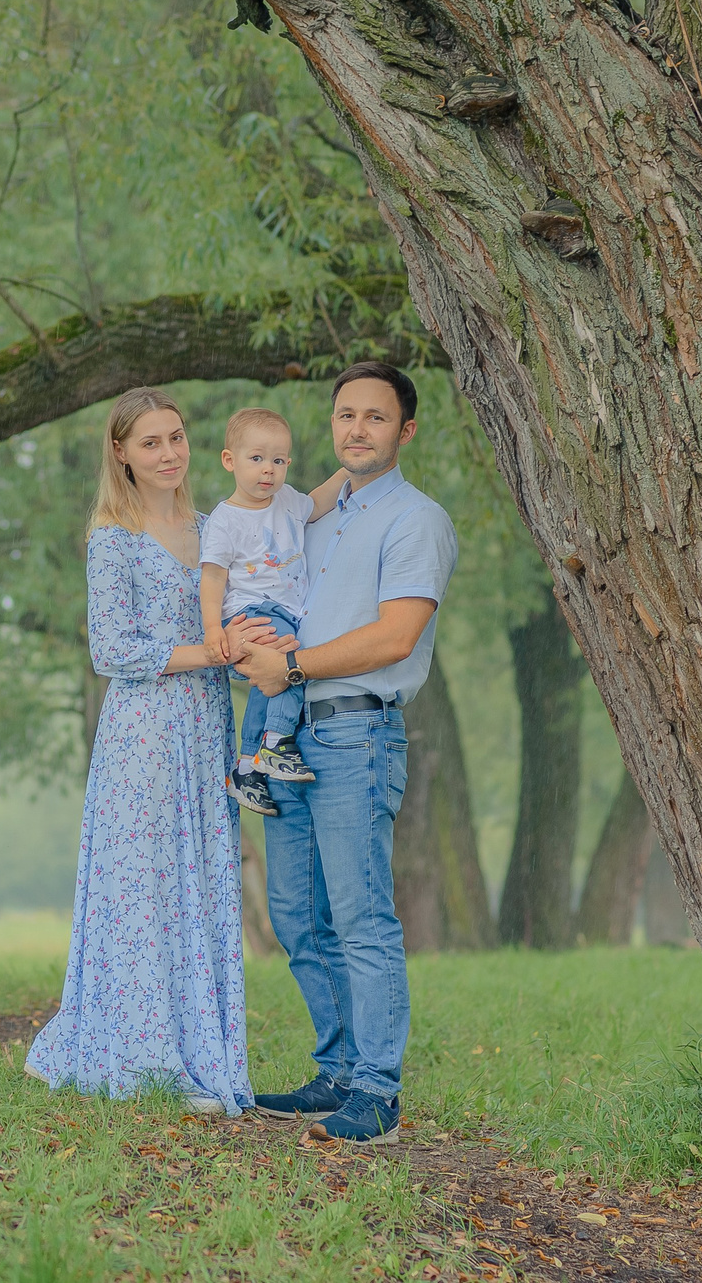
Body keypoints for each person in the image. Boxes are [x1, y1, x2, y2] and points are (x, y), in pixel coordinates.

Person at [25, 387, 273, 1117]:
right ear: (121, 453)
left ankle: (201, 1047)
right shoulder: (114, 536)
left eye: (176, 437)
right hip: (143, 735)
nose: (168, 453)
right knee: (144, 888)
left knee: (197, 880)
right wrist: (210, 650)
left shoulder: (214, 528)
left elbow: (245, 616)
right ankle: (149, 1056)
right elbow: (111, 648)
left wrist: (256, 644)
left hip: (204, 730)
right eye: (150, 442)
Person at [234, 361, 456, 1144]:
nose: (357, 428)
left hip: (356, 731)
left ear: (406, 430)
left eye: (375, 417)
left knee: (360, 914)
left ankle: (377, 1091)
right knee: (298, 914)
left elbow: (395, 635)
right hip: (280, 730)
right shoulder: (311, 516)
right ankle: (335, 1071)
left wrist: (291, 665)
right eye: (345, 415)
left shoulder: (417, 520)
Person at [201, 407, 350, 818]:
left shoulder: (285, 500)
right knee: (291, 666)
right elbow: (212, 580)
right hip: (251, 613)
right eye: (257, 458)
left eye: (279, 460)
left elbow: (316, 504)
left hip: (285, 610)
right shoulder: (225, 521)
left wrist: (347, 472)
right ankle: (277, 742)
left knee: (268, 686)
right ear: (229, 460)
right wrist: (214, 629)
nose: (269, 470)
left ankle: (247, 767)